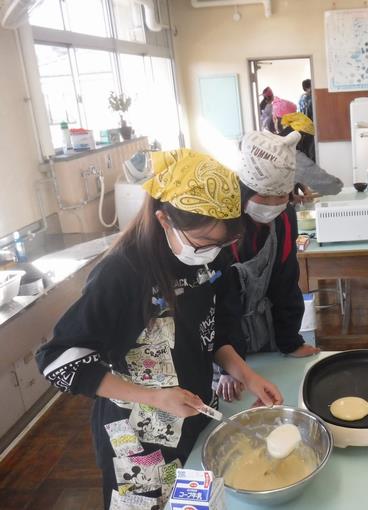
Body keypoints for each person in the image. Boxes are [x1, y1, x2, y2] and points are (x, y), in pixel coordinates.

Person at [35, 149, 283, 509]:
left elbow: (213, 333)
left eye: (222, 244)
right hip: (138, 443)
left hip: (193, 419)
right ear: (164, 219)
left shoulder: (211, 255)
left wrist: (244, 373)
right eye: (204, 243)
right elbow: (57, 360)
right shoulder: (122, 273)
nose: (214, 253)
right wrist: (155, 396)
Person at [215, 130, 320, 402]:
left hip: (266, 330)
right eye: (265, 197)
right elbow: (216, 303)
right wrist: (228, 366)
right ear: (245, 188)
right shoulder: (220, 223)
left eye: (280, 196)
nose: (273, 206)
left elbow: (286, 280)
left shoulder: (284, 217)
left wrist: (290, 341)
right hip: (223, 339)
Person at [279, 111, 342, 195]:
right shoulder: (292, 154)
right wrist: (338, 185)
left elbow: (292, 174)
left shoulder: (274, 142)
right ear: (301, 137)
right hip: (268, 203)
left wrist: (298, 192)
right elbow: (330, 186)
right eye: (309, 140)